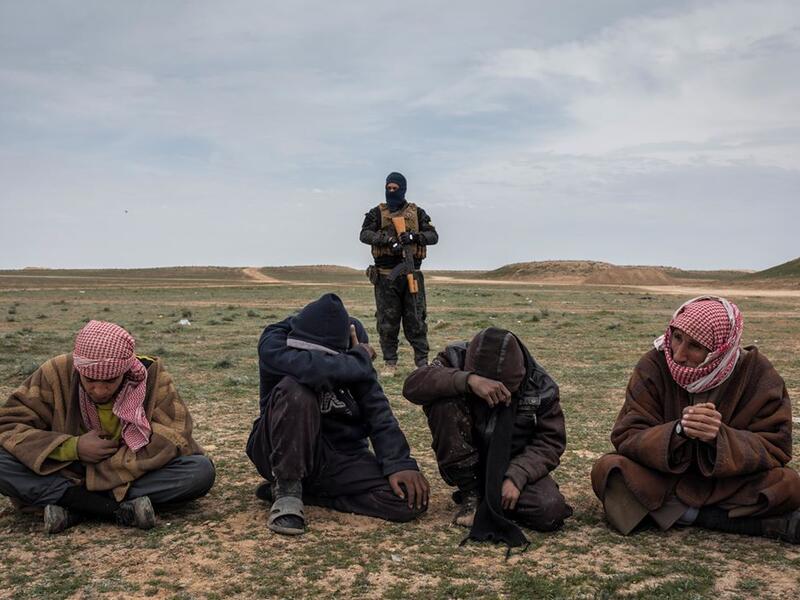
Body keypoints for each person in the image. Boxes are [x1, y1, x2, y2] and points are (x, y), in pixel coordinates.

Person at [591, 296, 800, 542]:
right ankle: (733, 521)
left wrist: (719, 438)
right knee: (609, 470)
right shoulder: (655, 364)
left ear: (720, 349)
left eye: (695, 346)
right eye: (677, 337)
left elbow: (776, 446)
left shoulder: (757, 373)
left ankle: (682, 514)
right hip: (663, 477)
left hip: (728, 481)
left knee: (789, 484)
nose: (678, 354)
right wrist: (678, 431)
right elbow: (627, 435)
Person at [0, 320, 215, 534]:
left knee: (199, 471)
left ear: (126, 369)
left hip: (130, 470)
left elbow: (175, 434)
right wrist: (73, 447)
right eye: (90, 380)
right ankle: (116, 509)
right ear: (78, 367)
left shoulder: (151, 377)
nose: (100, 390)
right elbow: (9, 424)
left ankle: (75, 504)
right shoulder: (55, 373)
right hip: (66, 470)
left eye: (110, 381)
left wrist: (112, 466)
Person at [246, 293, 429, 536]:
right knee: (296, 389)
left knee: (407, 500)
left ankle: (311, 494)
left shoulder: (351, 338)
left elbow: (375, 406)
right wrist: (358, 359)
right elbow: (312, 370)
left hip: (339, 454)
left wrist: (399, 462)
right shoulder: (276, 341)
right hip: (278, 449)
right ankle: (288, 490)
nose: (321, 360)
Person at [403, 327, 572, 548]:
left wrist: (518, 476)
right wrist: (468, 380)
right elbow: (413, 386)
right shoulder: (455, 357)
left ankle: (494, 498)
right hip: (467, 460)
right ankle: (471, 493)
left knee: (549, 510)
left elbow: (550, 441)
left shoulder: (540, 385)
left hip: (512, 465)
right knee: (443, 402)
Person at [360, 171, 438, 376]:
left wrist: (413, 236)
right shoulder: (376, 213)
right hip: (386, 276)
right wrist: (387, 240)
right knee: (387, 321)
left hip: (412, 274)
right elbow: (364, 234)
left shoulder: (417, 213)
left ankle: (422, 362)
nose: (391, 191)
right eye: (389, 188)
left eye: (395, 188)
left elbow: (433, 236)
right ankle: (390, 363)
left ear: (403, 189)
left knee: (416, 320)